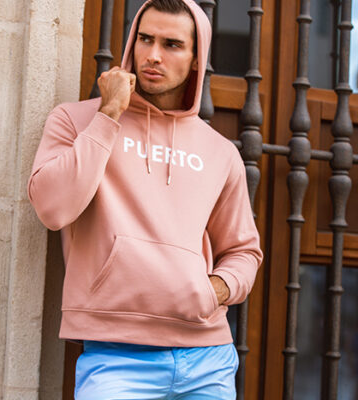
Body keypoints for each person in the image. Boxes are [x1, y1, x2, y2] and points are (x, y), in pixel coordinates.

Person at [28, 0, 263, 398]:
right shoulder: (76, 120)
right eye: (145, 39)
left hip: (207, 357)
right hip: (115, 355)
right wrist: (109, 114)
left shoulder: (220, 152)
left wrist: (213, 291)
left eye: (172, 44)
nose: (153, 55)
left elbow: (243, 251)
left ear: (196, 59)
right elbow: (53, 209)